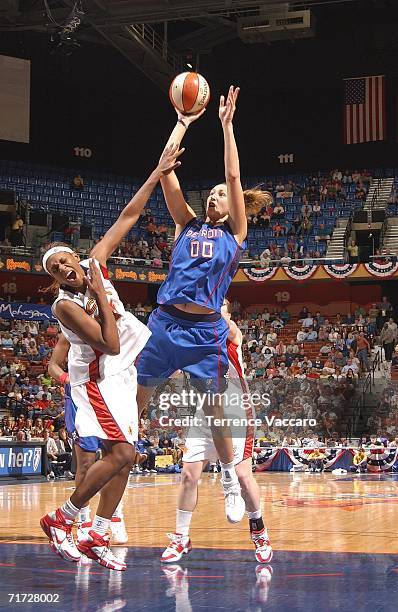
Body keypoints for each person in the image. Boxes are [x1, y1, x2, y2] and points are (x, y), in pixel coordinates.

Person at [39, 143, 183, 570]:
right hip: (97, 381)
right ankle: (62, 519)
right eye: (55, 269)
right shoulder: (65, 306)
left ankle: (97, 534)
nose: (65, 267)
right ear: (55, 280)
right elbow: (110, 344)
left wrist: (157, 173)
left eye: (67, 260)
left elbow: (128, 216)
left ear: (76, 259)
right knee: (118, 455)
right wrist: (100, 291)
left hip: (122, 375)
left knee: (129, 458)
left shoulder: (95, 260)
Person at [136, 86, 271, 523]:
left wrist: (227, 127)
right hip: (164, 324)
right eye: (210, 194)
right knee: (133, 403)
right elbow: (165, 172)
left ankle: (231, 476)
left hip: (205, 331)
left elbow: (233, 178)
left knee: (216, 413)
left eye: (220, 194)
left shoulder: (234, 234)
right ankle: (112, 490)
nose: (215, 197)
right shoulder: (185, 224)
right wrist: (181, 123)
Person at [161, 300, 272, 564]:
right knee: (188, 474)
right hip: (204, 411)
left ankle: (259, 530)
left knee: (244, 476)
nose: (210, 308)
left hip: (236, 410)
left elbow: (226, 328)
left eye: (218, 305)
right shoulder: (194, 337)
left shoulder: (231, 332)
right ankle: (181, 537)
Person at [49, 333, 129, 545]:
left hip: (111, 395)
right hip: (80, 397)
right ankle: (83, 520)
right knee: (85, 463)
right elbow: (53, 366)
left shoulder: (116, 328)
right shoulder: (70, 330)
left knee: (118, 458)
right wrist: (67, 379)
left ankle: (114, 514)